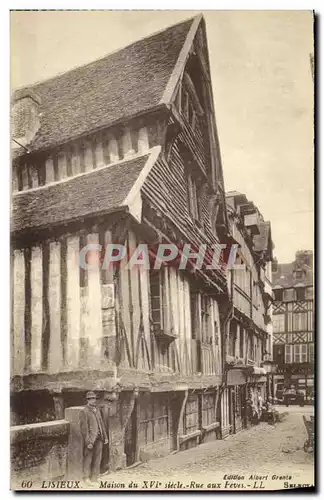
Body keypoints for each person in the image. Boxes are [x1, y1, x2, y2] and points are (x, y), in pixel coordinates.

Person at [79, 391, 108, 485]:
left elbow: (102, 424)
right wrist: (88, 442)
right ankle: (86, 478)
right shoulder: (84, 411)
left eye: (94, 398)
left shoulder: (97, 410)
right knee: (88, 458)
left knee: (97, 458)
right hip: (91, 439)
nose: (93, 400)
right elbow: (84, 429)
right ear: (87, 400)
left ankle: (95, 477)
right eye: (91, 398)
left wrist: (105, 437)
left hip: (99, 438)